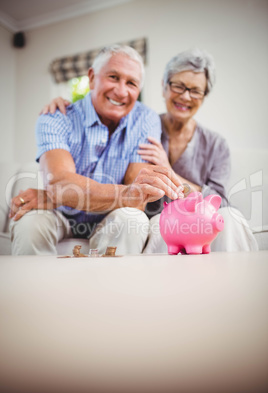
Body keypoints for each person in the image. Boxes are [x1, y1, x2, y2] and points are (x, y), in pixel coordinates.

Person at [40, 48, 258, 253]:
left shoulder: (215, 145)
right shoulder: (141, 126)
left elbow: (220, 202)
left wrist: (168, 170)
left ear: (203, 96)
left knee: (230, 217)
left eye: (196, 91)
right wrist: (71, 107)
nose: (185, 96)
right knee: (154, 227)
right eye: (178, 86)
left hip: (197, 220)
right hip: (158, 218)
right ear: (164, 86)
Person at [9, 44, 183, 255]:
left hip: (110, 215)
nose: (121, 91)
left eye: (131, 83)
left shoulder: (145, 119)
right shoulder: (55, 116)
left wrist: (59, 194)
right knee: (30, 223)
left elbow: (137, 198)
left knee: (131, 218)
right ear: (92, 77)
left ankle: (111, 289)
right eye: (113, 77)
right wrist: (60, 193)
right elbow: (60, 182)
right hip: (60, 214)